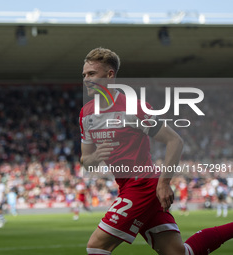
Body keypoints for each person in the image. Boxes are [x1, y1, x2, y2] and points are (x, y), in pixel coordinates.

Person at [79, 47, 233, 255]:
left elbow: (174, 141)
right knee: (179, 253)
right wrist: (95, 157)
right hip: (126, 186)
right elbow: (86, 159)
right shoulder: (85, 114)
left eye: (92, 74)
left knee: (96, 246)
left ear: (110, 75)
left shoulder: (133, 108)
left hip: (142, 184)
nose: (86, 79)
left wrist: (164, 182)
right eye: (84, 75)